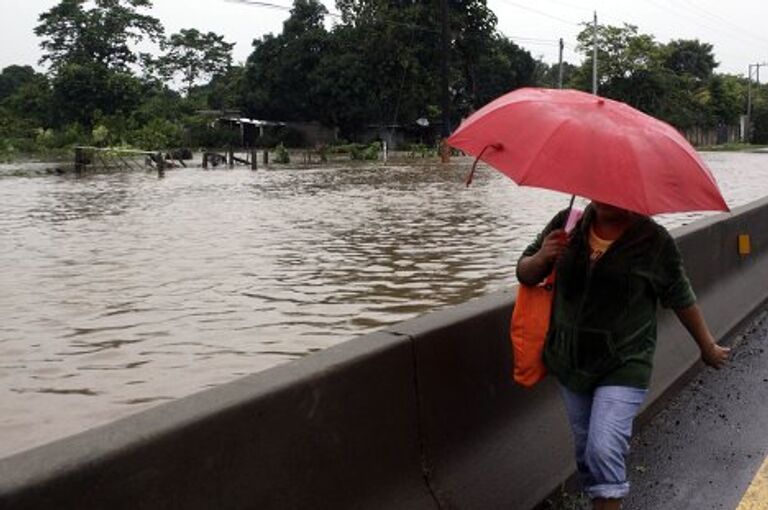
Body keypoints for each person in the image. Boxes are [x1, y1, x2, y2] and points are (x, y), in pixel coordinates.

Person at [516, 201, 729, 510]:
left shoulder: (653, 241)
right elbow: (525, 273)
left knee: (602, 449)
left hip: (625, 362)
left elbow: (680, 295)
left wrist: (706, 346)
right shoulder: (568, 222)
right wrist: (542, 257)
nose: (606, 195)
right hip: (571, 362)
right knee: (587, 453)